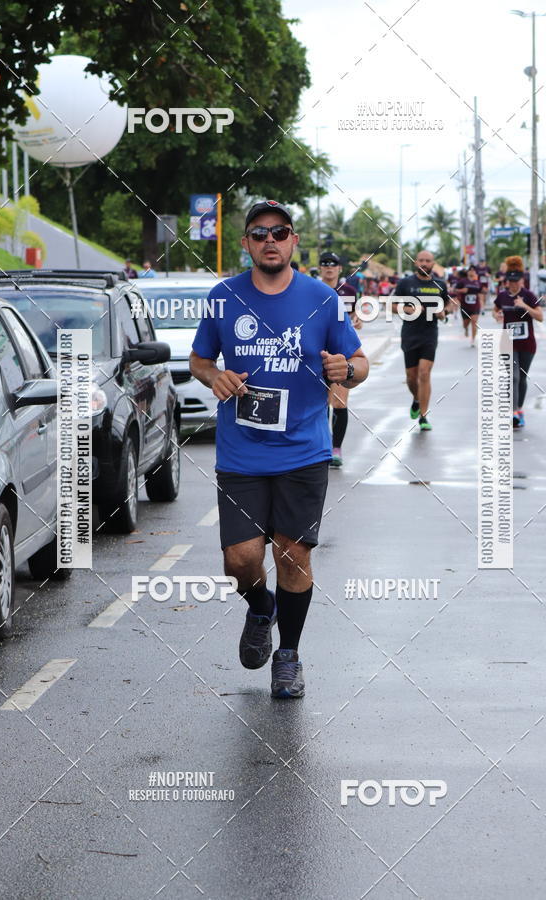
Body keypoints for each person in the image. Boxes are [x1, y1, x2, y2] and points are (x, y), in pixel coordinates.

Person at [190, 199, 368, 698]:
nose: (270, 239)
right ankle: (260, 607)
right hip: (242, 453)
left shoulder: (323, 298)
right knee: (240, 560)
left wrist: (346, 371)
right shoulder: (223, 297)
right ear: (246, 243)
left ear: (293, 242)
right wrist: (214, 375)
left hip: (303, 451)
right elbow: (198, 359)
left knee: (293, 556)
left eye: (280, 231)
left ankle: (288, 655)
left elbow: (359, 361)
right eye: (259, 232)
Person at [392, 250, 453, 431]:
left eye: (428, 261)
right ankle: (417, 399)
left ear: (433, 263)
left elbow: (449, 304)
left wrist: (445, 312)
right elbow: (392, 305)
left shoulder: (440, 284)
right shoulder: (405, 283)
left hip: (429, 334)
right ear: (416, 262)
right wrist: (407, 310)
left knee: (424, 374)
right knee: (411, 378)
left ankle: (424, 416)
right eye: (421, 260)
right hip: (410, 334)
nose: (424, 263)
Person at [319, 250, 362, 468]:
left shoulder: (350, 291)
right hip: (316, 353)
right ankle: (323, 444)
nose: (329, 267)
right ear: (320, 268)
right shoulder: (311, 291)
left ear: (339, 268)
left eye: (333, 263)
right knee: (320, 402)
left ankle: (336, 448)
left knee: (340, 401)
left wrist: (357, 322)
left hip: (341, 353)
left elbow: (356, 317)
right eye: (325, 263)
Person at [493, 270, 543, 427]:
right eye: (510, 281)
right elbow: (495, 309)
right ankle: (513, 412)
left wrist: (524, 306)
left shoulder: (529, 295)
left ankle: (519, 409)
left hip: (527, 343)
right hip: (508, 342)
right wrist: (497, 315)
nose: (513, 284)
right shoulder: (502, 296)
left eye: (516, 280)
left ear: (522, 281)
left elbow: (540, 317)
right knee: (512, 377)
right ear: (507, 282)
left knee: (522, 377)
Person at [456, 266, 482, 346]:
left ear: (475, 273)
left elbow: (480, 292)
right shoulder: (462, 281)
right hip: (465, 306)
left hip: (475, 305)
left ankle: (473, 340)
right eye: (470, 270)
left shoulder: (477, 282)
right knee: (465, 323)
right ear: (467, 272)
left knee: (474, 322)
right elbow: (454, 290)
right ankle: (466, 328)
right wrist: (462, 290)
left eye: (473, 270)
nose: (471, 271)